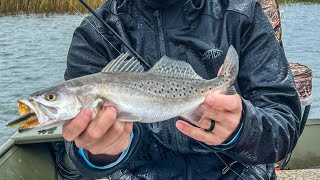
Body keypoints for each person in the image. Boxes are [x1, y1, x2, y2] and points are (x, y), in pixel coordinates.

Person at [63, 0, 301, 179]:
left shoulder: (243, 13)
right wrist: (101, 150)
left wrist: (243, 127)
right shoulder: (94, 35)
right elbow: (79, 153)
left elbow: (284, 127)